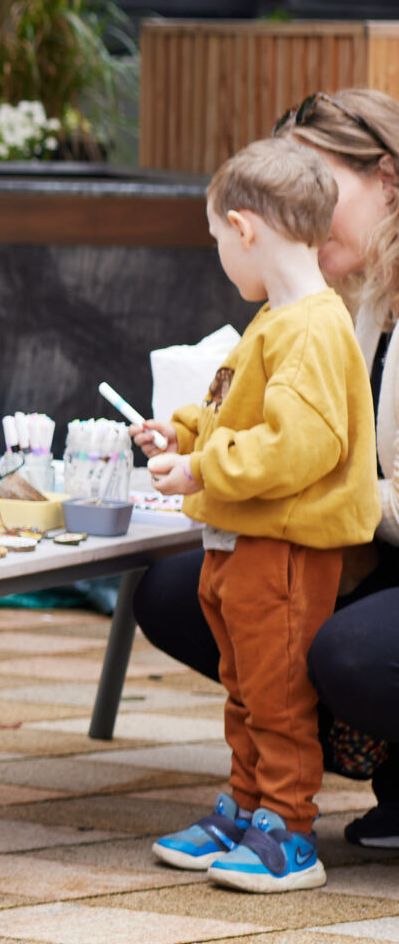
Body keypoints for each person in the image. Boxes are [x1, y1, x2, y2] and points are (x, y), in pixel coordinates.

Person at [134, 90, 399, 852]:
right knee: (190, 599)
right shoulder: (324, 302)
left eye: (316, 184)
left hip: (358, 539)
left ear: (387, 177)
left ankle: (287, 820)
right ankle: (255, 803)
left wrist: (221, 474)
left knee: (330, 658)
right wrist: (193, 438)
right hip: (365, 547)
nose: (301, 208)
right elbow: (254, 412)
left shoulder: (313, 315)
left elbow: (303, 447)